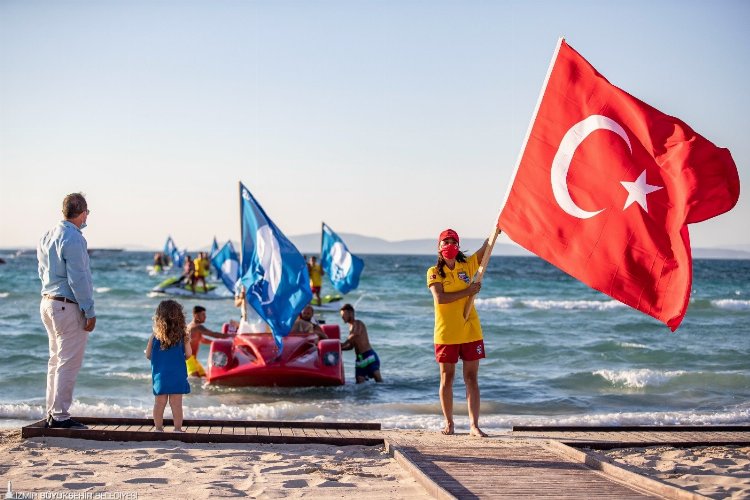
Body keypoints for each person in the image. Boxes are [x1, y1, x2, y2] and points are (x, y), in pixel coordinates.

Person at [37, 193, 96, 429]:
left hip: (47, 301)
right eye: (87, 213)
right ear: (81, 212)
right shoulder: (74, 238)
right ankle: (60, 416)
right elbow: (78, 278)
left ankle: (52, 411)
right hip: (66, 304)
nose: (87, 217)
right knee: (68, 362)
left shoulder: (46, 235)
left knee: (55, 361)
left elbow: (41, 271)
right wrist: (89, 310)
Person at [427, 228, 491, 437]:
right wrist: (468, 291)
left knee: (471, 378)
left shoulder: (466, 266)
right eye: (445, 242)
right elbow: (440, 298)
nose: (449, 245)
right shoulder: (434, 272)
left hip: (470, 328)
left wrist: (495, 232)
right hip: (446, 332)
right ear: (439, 247)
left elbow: (485, 250)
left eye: (453, 242)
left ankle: (474, 425)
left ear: (458, 246)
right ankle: (449, 423)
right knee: (447, 377)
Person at [145, 300, 191, 432]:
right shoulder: (183, 336)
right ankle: (177, 429)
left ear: (159, 318)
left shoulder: (154, 337)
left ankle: (158, 429)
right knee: (176, 405)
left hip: (161, 376)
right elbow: (188, 354)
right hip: (178, 375)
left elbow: (148, 355)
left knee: (159, 404)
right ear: (180, 317)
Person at [340, 304, 382, 384]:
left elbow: (356, 334)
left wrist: (344, 343)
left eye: (343, 315)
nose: (342, 317)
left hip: (369, 356)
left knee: (379, 382)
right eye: (341, 315)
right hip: (360, 359)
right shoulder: (350, 327)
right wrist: (340, 348)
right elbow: (351, 346)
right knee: (359, 385)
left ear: (351, 313)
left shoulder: (358, 323)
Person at [186, 305, 232, 377]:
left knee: (203, 377)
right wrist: (231, 336)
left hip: (192, 359)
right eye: (203, 314)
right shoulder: (197, 326)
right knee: (195, 379)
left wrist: (215, 343)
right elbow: (213, 334)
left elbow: (201, 340)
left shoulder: (190, 326)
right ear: (196, 315)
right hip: (188, 359)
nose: (205, 316)